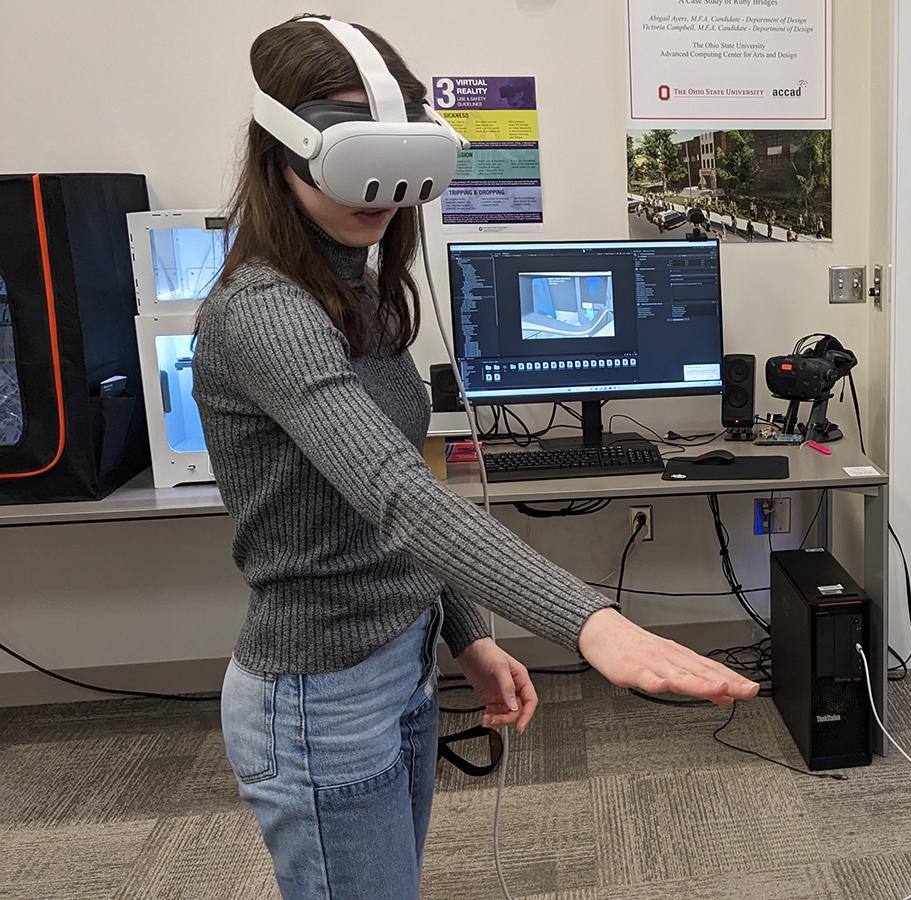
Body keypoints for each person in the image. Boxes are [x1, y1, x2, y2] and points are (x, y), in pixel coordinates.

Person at [192, 17, 758, 899]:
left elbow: (399, 487)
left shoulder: (358, 290)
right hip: (320, 697)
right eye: (353, 148)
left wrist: (467, 634)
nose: (383, 188)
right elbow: (399, 498)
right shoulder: (264, 311)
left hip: (399, 665)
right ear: (285, 148)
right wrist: (592, 622)